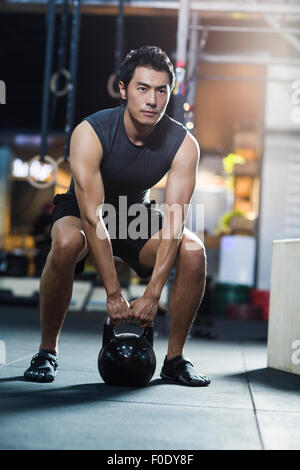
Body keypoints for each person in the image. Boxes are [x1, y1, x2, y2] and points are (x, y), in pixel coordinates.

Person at [24, 45, 210, 387]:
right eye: (142, 88)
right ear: (124, 90)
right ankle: (46, 351)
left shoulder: (183, 144)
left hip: (133, 215)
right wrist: (113, 294)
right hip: (83, 212)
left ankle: (175, 359)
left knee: (193, 251)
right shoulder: (90, 133)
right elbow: (94, 219)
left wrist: (153, 293)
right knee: (66, 242)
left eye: (161, 90)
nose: (152, 100)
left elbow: (174, 222)